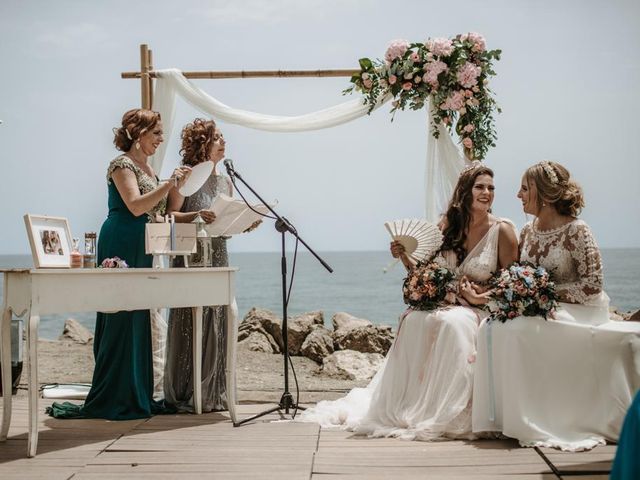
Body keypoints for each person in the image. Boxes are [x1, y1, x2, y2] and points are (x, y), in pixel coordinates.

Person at [301, 162, 519, 440]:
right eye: (480, 187)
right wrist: (403, 255)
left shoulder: (503, 231)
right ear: (465, 191)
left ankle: (451, 410)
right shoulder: (448, 226)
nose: (487, 192)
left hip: (481, 307)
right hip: (448, 303)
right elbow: (425, 273)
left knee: (453, 324)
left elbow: (510, 285)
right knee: (413, 318)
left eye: (491, 188)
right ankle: (413, 403)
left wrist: (478, 295)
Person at [472, 161, 640, 450]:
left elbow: (592, 285)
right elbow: (518, 277)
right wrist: (491, 294)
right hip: (542, 306)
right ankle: (503, 419)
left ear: (545, 195)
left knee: (521, 329)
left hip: (582, 309)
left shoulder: (578, 230)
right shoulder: (526, 231)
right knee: (493, 325)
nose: (518, 195)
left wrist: (543, 293)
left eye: (525, 189)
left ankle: (539, 418)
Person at [47, 108, 191, 420]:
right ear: (138, 135)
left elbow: (166, 209)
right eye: (156, 133)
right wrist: (166, 185)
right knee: (120, 314)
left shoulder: (150, 170)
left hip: (145, 244)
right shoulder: (121, 164)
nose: (161, 139)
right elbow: (136, 205)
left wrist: (177, 185)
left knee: (139, 315)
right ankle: (115, 394)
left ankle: (137, 392)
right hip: (121, 241)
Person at [163, 118, 236, 412]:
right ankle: (185, 391)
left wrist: (242, 223)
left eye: (222, 137)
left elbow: (223, 219)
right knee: (190, 320)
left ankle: (214, 392)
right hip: (190, 257)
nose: (223, 142)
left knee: (216, 318)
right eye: (217, 137)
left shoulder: (225, 180)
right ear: (203, 143)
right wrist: (196, 216)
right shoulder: (185, 176)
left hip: (218, 252)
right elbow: (170, 215)